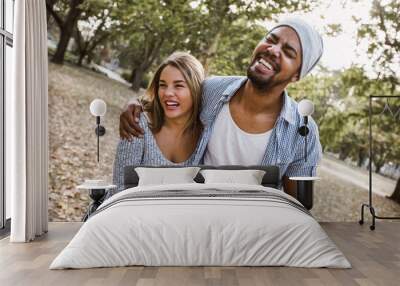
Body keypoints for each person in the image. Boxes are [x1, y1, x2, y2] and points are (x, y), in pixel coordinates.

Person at [119, 18, 323, 198]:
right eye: (271, 39)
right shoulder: (211, 89)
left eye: (288, 52)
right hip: (194, 215)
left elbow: (298, 203)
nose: (273, 50)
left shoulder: (302, 131)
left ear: (297, 75)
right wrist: (136, 104)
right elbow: (170, 99)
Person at [113, 51, 205, 192]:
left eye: (178, 85)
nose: (167, 93)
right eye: (163, 85)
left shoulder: (207, 133)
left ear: (196, 89)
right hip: (129, 211)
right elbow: (120, 190)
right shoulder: (137, 123)